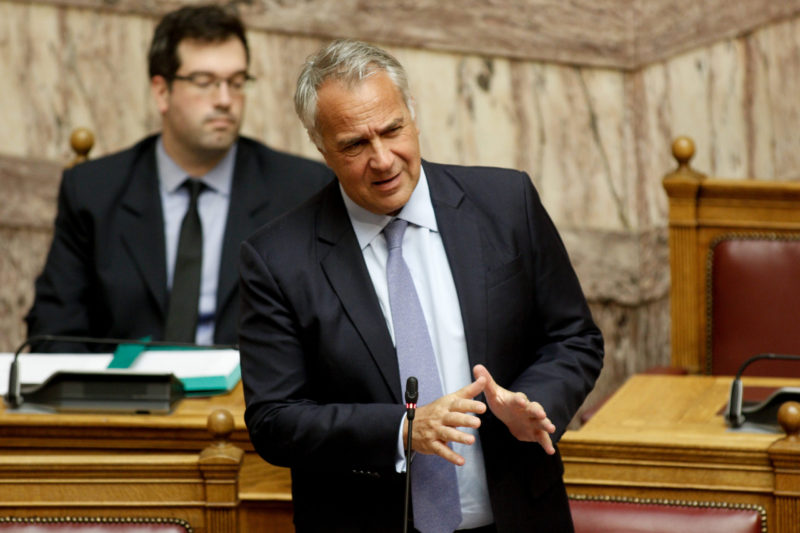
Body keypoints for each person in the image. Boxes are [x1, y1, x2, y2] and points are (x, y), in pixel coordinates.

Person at [238, 39, 604, 533]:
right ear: (322, 148)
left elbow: (574, 338)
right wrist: (401, 430)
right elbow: (274, 420)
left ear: (412, 114)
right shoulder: (277, 258)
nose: (383, 159)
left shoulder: (506, 203)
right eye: (355, 145)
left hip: (520, 515)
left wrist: (535, 401)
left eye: (392, 130)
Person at [25, 4, 332, 352]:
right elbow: (54, 330)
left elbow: (327, 328)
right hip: (124, 385)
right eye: (205, 82)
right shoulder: (93, 191)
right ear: (162, 92)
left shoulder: (300, 190)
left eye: (236, 82)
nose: (225, 100)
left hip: (249, 385)